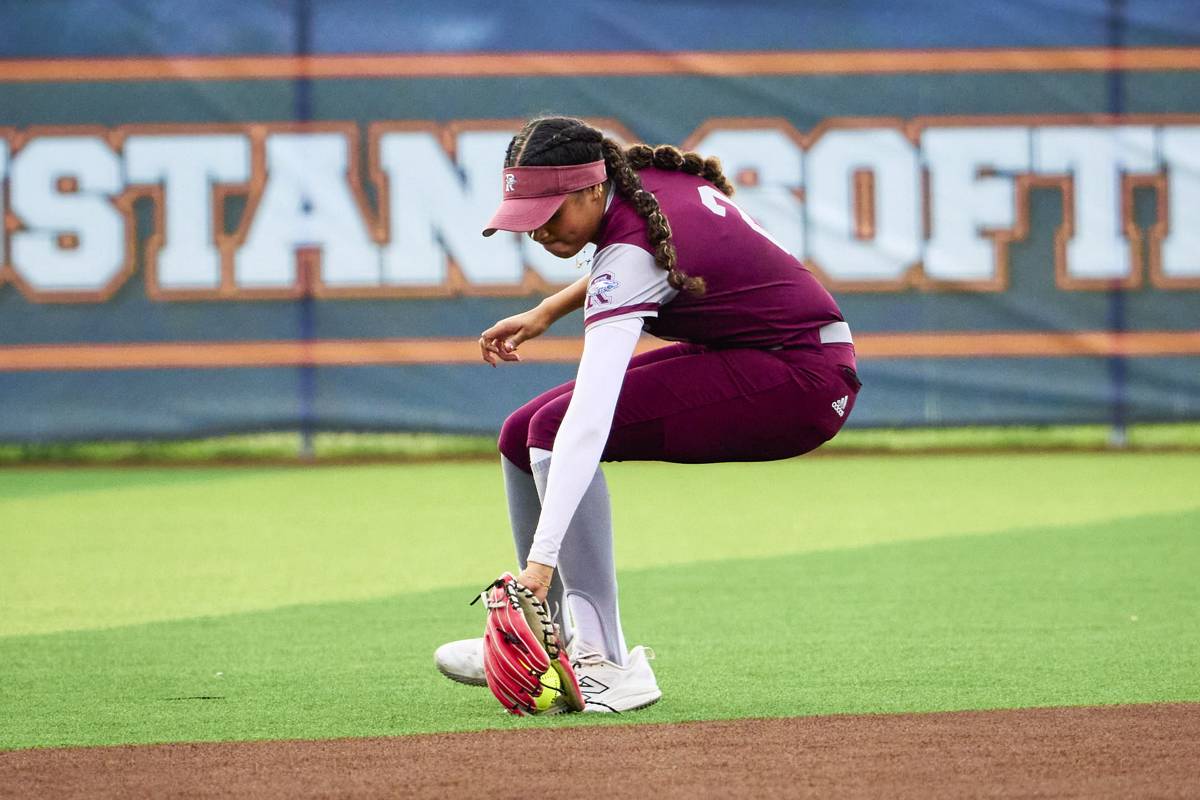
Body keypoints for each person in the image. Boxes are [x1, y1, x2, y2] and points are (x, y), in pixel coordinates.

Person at [434, 116, 860, 713]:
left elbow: (590, 417)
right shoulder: (635, 183)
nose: (536, 231)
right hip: (768, 353)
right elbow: (646, 248)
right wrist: (548, 309)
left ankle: (605, 663)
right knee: (518, 435)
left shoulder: (631, 249)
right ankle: (542, 643)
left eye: (549, 214)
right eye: (524, 217)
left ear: (589, 190)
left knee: (555, 432)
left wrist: (538, 565)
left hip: (802, 383)